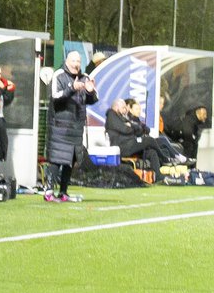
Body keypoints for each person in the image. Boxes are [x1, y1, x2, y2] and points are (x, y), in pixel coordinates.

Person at [45, 50, 98, 202]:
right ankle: (48, 192)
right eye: (73, 61)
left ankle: (63, 192)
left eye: (78, 62)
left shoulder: (85, 77)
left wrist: (90, 92)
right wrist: (72, 88)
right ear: (67, 61)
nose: (76, 64)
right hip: (59, 126)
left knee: (71, 159)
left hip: (76, 127)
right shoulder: (59, 75)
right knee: (56, 159)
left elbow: (93, 99)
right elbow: (55, 97)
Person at [104, 98, 177, 182]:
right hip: (123, 147)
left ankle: (158, 176)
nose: (125, 110)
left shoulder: (122, 117)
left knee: (151, 152)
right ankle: (165, 159)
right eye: (123, 108)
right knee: (149, 140)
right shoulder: (111, 116)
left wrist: (131, 126)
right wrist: (131, 127)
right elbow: (126, 129)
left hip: (130, 144)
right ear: (116, 107)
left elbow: (137, 129)